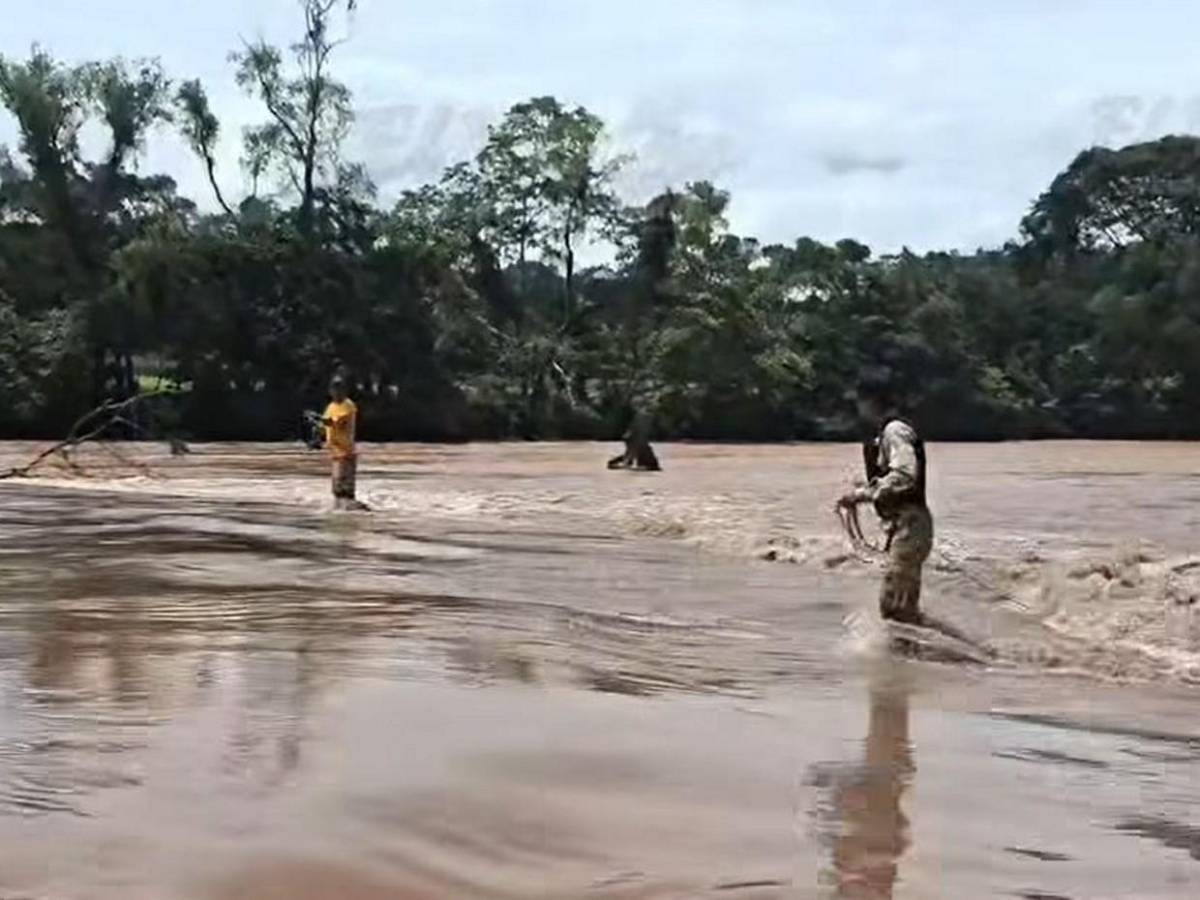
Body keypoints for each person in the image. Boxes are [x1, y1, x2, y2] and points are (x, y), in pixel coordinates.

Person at [838, 375, 932, 624]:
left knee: (893, 606)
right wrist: (864, 490)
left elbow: (904, 474)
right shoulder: (885, 435)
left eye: (860, 402)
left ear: (870, 402)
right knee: (900, 607)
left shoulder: (895, 430)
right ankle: (917, 651)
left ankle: (917, 651)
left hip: (911, 526)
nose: (858, 409)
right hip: (906, 526)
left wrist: (860, 495)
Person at [322, 375, 366, 511]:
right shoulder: (331, 406)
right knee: (337, 488)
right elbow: (327, 426)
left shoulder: (348, 405)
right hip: (335, 452)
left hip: (346, 452)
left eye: (339, 389)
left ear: (345, 390)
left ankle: (354, 513)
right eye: (334, 389)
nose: (336, 392)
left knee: (344, 489)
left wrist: (319, 420)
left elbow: (337, 422)